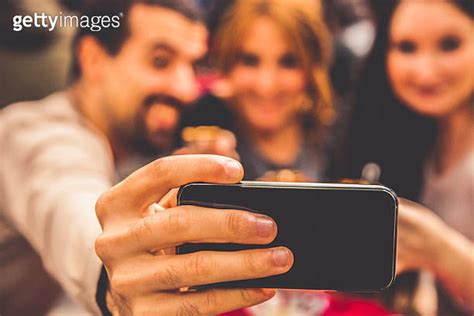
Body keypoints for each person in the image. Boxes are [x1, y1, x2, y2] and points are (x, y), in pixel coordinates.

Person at [0, 0, 293, 314]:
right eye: (160, 61)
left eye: (194, 66)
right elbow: (69, 207)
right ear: (93, 58)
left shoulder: (132, 143)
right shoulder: (32, 133)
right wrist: (112, 280)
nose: (187, 89)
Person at [335, 0, 474, 314]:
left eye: (450, 45)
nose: (424, 71)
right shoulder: (412, 134)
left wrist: (440, 250)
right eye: (406, 47)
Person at [181, 0, 336, 181]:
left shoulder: (343, 138)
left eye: (288, 62)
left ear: (312, 69)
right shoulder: (198, 129)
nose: (266, 86)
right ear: (227, 64)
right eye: (250, 61)